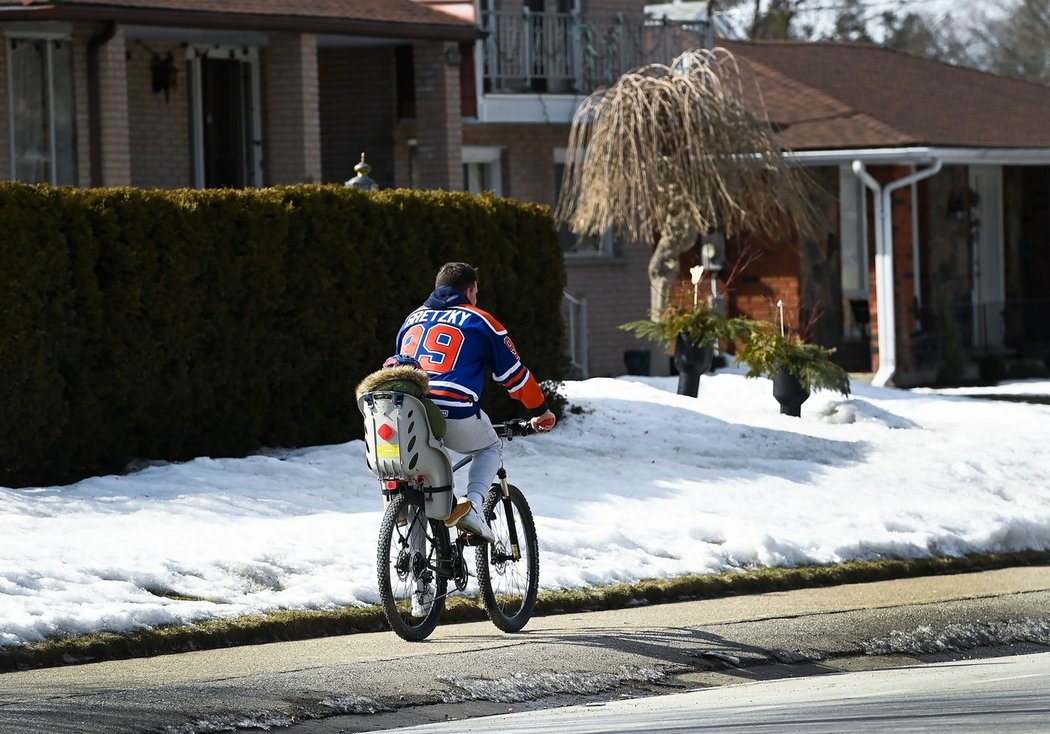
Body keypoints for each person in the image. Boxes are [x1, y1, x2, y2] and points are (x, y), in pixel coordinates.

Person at [395, 262, 555, 542]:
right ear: (469, 291)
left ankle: (417, 575)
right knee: (490, 446)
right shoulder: (479, 320)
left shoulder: (411, 319)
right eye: (476, 293)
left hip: (406, 410)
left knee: (418, 478)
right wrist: (540, 411)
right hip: (451, 410)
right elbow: (515, 378)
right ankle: (474, 506)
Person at [355, 354, 446, 440]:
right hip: (416, 452)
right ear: (419, 376)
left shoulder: (369, 401)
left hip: (379, 452)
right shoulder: (422, 403)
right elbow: (439, 431)